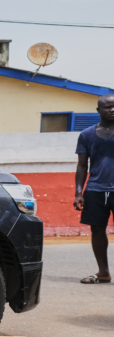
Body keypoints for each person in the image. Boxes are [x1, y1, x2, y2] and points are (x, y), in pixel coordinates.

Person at [73, 94, 114, 284]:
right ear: (98, 111)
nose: (112, 109)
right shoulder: (86, 134)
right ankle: (103, 272)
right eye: (107, 107)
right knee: (97, 230)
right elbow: (82, 165)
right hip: (96, 189)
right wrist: (79, 192)